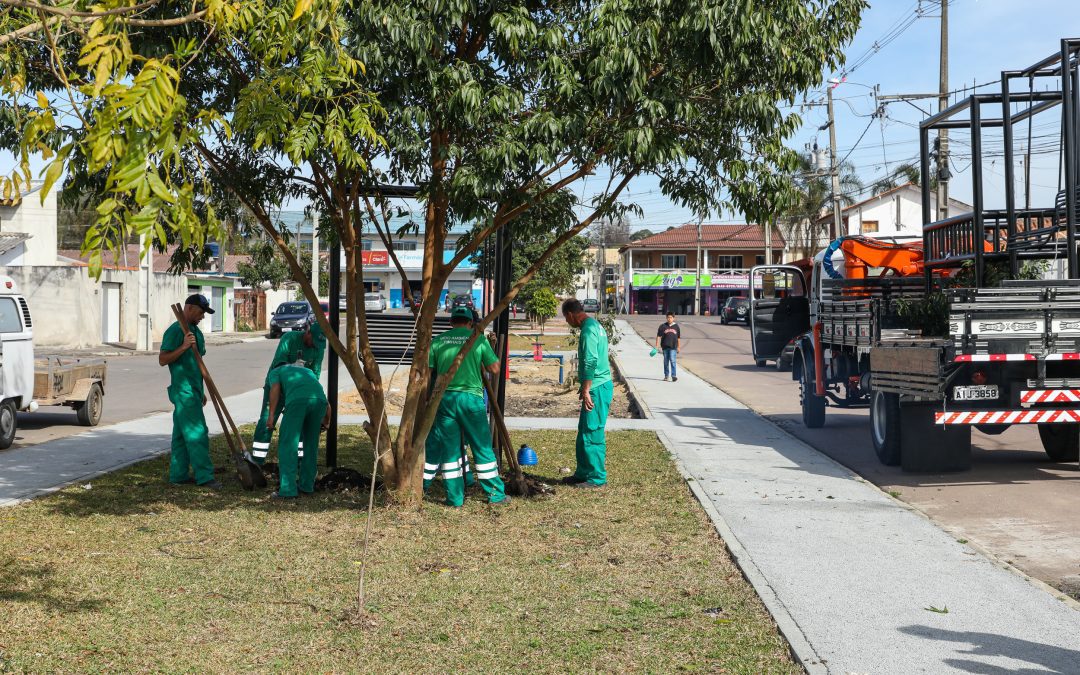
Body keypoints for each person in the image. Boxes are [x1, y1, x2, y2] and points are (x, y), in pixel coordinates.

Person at [426, 306, 509, 507]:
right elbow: (495, 369)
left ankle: (455, 498)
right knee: (481, 446)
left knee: (451, 451)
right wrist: (479, 359)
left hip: (444, 400)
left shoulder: (437, 341)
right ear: (471, 322)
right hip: (471, 399)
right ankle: (495, 494)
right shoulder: (477, 339)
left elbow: (428, 374)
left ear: (451, 322)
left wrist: (427, 401)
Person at [159, 294, 219, 489]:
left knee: (181, 436)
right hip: (183, 391)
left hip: (193, 390)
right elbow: (163, 359)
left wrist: (201, 390)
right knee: (197, 432)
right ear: (190, 308)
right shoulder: (177, 331)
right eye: (201, 312)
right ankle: (205, 476)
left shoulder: (195, 331)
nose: (203, 317)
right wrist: (184, 346)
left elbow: (197, 363)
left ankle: (178, 475)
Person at [251, 322, 327, 465]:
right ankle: (257, 460)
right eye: (314, 341)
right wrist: (294, 368)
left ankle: (297, 460)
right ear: (308, 332)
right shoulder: (290, 339)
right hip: (277, 386)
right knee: (267, 420)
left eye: (319, 343)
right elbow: (279, 363)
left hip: (298, 391)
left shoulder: (318, 348)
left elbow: (315, 375)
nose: (315, 345)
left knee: (299, 422)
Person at [562, 298, 612, 488]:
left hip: (597, 387)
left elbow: (590, 360)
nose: (568, 323)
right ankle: (583, 473)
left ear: (570, 314)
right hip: (595, 386)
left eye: (566, 319)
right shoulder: (594, 325)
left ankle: (597, 477)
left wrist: (586, 388)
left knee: (593, 432)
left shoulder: (588, 330)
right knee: (584, 431)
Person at [265, 364, 331, 499]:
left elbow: (275, 388)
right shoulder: (307, 371)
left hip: (297, 402)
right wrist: (327, 422)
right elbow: (326, 402)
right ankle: (307, 486)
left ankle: (288, 490)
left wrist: (271, 416)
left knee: (288, 444)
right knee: (311, 446)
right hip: (319, 402)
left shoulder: (275, 371)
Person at [655, 312, 681, 382]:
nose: (669, 319)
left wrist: (679, 347)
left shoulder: (676, 326)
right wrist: (656, 346)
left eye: (671, 317)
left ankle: (673, 376)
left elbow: (678, 338)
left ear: (673, 318)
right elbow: (658, 336)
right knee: (666, 362)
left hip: (673, 347)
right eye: (668, 317)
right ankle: (666, 376)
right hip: (665, 347)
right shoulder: (663, 326)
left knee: (673, 361)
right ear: (666, 318)